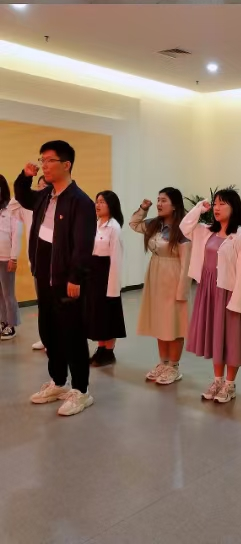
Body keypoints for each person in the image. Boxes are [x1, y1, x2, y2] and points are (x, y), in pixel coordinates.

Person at [15, 141, 97, 416]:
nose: (44, 165)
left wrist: (76, 277)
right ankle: (59, 382)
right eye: (42, 160)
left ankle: (81, 390)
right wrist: (25, 176)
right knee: (49, 332)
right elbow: (23, 197)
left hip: (66, 280)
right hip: (44, 276)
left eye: (49, 160)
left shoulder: (80, 202)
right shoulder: (44, 196)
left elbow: (83, 245)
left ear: (66, 164)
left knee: (72, 333)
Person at [181, 190, 241, 405]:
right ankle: (217, 381)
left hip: (229, 292)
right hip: (208, 290)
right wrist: (199, 208)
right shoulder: (206, 231)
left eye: (222, 204)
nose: (217, 207)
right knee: (215, 336)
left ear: (234, 207)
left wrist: (238, 302)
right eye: (215, 204)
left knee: (231, 338)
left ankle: (229, 384)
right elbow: (184, 227)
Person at [130, 188, 190, 385]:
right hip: (155, 273)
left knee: (173, 321)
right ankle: (163, 363)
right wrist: (143, 208)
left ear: (175, 205)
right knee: (160, 321)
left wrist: (182, 290)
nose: (159, 204)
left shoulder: (183, 229)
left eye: (163, 200)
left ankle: (174, 366)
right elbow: (134, 224)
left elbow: (187, 262)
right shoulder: (154, 224)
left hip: (173, 275)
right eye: (158, 200)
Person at [85, 190, 126, 367]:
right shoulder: (95, 224)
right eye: (97, 201)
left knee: (108, 313)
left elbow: (116, 258)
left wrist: (113, 286)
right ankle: (101, 348)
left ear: (111, 205)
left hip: (107, 273)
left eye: (102, 202)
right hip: (93, 273)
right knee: (97, 313)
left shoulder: (114, 227)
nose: (98, 205)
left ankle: (109, 351)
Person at [0, 175, 24, 339]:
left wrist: (13, 257)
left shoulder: (11, 208)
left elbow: (17, 234)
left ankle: (12, 324)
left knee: (8, 294)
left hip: (7, 258)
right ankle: (3, 321)